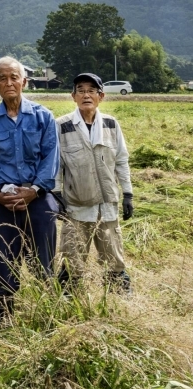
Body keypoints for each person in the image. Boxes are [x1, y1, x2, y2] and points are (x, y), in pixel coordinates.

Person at [0, 57, 60, 323]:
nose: (9, 82)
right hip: (2, 200)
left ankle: (47, 313)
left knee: (43, 259)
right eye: (2, 78)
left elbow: (50, 160)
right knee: (3, 259)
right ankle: (4, 316)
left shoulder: (43, 116)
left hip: (38, 197)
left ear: (24, 82)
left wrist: (34, 191)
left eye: (14, 77)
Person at [55, 73, 134, 293]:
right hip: (76, 206)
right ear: (73, 96)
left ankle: (119, 300)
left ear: (101, 96)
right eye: (81, 90)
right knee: (72, 262)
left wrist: (128, 194)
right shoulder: (61, 126)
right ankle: (67, 302)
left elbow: (121, 160)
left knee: (114, 261)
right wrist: (56, 195)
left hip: (107, 206)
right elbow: (56, 165)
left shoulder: (111, 124)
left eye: (92, 91)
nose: (86, 95)